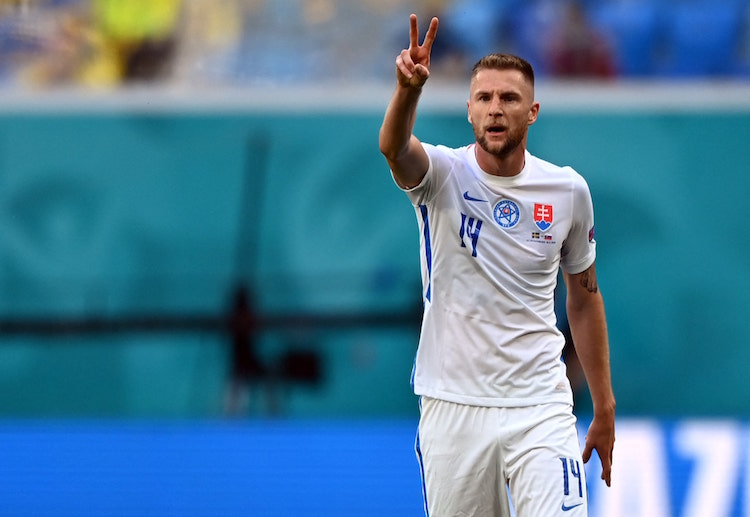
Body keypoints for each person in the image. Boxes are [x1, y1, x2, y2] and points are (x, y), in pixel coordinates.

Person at [378, 14, 615, 516]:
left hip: (540, 405)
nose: (495, 109)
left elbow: (584, 296)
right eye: (484, 99)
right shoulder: (443, 175)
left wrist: (604, 403)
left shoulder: (568, 191)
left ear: (531, 112)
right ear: (468, 111)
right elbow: (394, 149)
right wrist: (407, 91)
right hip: (453, 406)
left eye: (508, 99)